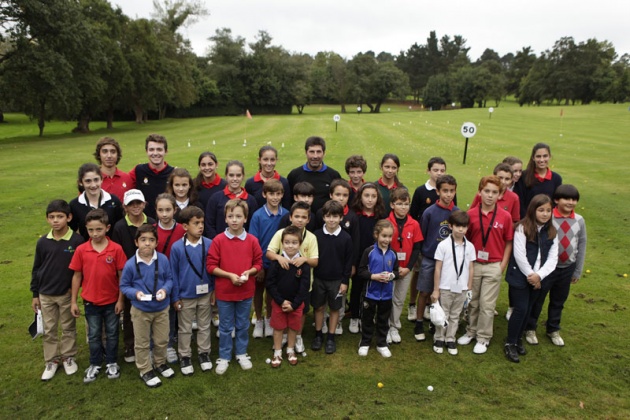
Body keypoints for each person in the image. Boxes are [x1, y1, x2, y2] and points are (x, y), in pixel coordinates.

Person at [525, 185, 587, 347]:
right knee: (538, 299)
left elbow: (582, 245)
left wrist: (578, 270)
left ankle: (553, 329)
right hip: (547, 269)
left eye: (574, 199)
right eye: (566, 198)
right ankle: (530, 328)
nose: (570, 202)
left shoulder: (579, 220)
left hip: (567, 268)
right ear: (556, 200)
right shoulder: (549, 217)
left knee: (558, 300)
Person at [458, 176, 514, 354]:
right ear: (480, 192)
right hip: (473, 264)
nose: (490, 196)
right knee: (472, 301)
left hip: (493, 265)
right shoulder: (471, 214)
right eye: (487, 191)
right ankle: (471, 331)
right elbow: (465, 241)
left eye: (494, 192)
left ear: (500, 195)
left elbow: (508, 242)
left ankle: (483, 337)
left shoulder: (505, 216)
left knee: (487, 304)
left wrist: (502, 265)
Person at [206, 199, 263, 375]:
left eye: (238, 216)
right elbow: (211, 266)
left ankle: (241, 353)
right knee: (225, 326)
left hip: (245, 291)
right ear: (225, 218)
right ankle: (224, 356)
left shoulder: (252, 240)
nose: (234, 220)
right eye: (231, 216)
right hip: (225, 292)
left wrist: (249, 272)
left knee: (243, 324)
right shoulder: (218, 240)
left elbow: (258, 263)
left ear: (245, 219)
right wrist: (229, 276)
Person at [69, 209, 126, 383]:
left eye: (99, 229)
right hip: (90, 302)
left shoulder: (116, 249)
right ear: (86, 228)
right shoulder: (81, 250)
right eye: (91, 230)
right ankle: (94, 363)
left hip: (111, 302)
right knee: (93, 335)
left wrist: (120, 300)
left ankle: (111, 362)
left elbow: (121, 275)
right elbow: (77, 276)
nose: (95, 234)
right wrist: (73, 301)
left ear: (107, 228)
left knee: (112, 334)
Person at [31, 199, 84, 381]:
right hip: (45, 294)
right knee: (49, 329)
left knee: (68, 327)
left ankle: (68, 357)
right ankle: (52, 360)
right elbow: (37, 269)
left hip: (66, 294)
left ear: (68, 218)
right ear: (47, 219)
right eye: (51, 217)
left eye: (60, 217)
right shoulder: (43, 242)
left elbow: (79, 270)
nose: (55, 220)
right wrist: (35, 294)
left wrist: (74, 294)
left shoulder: (77, 241)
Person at [120, 224, 175, 387]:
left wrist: (165, 290)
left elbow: (169, 280)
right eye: (143, 240)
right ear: (136, 242)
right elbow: (124, 286)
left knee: (162, 339)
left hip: (161, 308)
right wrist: (135, 294)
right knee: (142, 342)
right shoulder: (131, 264)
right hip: (140, 310)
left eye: (151, 240)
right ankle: (145, 369)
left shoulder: (163, 260)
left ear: (156, 243)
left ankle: (160, 363)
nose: (147, 243)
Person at [504, 195, 558, 363]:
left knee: (529, 309)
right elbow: (519, 255)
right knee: (520, 309)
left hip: (539, 277)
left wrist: (539, 275)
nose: (545, 214)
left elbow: (552, 258)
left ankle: (519, 339)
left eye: (548, 210)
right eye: (541, 210)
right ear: (533, 210)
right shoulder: (522, 228)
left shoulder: (552, 231)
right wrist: (531, 274)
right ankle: (510, 342)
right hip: (520, 276)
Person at [266, 201, 319, 354]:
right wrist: (279, 258)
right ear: (290, 217)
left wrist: (304, 259)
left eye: (304, 217)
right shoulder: (281, 233)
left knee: (300, 311)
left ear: (308, 220)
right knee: (281, 310)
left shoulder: (311, 237)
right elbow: (269, 253)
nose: (300, 220)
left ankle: (298, 336)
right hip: (282, 284)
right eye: (297, 216)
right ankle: (282, 336)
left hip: (302, 285)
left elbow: (315, 261)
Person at [111, 189, 156, 363]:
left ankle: (150, 343)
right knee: (130, 313)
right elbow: (118, 252)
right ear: (125, 207)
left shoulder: (151, 222)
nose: (135, 207)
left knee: (151, 308)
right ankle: (130, 345)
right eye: (131, 204)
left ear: (144, 204)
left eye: (138, 203)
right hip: (129, 274)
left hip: (149, 271)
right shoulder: (120, 227)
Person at [170, 206, 214, 376]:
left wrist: (214, 291)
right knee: (185, 327)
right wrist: (175, 297)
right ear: (185, 226)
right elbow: (173, 274)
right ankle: (185, 355)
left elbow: (213, 269)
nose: (200, 226)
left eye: (202, 222)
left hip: (206, 293)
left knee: (204, 325)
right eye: (196, 223)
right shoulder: (177, 248)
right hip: (185, 295)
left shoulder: (209, 244)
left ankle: (204, 353)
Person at [414, 175, 459, 342]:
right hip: (430, 259)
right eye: (445, 191)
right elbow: (423, 235)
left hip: (449, 262)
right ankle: (419, 322)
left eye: (451, 191)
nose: (448, 194)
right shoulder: (429, 212)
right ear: (438, 191)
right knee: (425, 292)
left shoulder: (457, 213)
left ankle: (437, 321)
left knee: (443, 294)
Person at [314, 179, 360, 334]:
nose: (341, 198)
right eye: (337, 194)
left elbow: (353, 246)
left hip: (340, 271)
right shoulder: (320, 221)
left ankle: (337, 322)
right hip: (322, 272)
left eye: (345, 195)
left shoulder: (351, 218)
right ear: (330, 195)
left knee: (337, 300)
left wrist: (351, 266)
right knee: (320, 302)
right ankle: (322, 325)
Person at [429, 210, 476, 356]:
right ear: (450, 226)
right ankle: (439, 338)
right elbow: (438, 268)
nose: (461, 229)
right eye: (457, 226)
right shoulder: (443, 245)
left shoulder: (470, 246)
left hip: (461, 288)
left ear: (467, 228)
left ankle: (450, 338)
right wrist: (436, 289)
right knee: (443, 314)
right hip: (445, 287)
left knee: (455, 315)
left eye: (464, 226)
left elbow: (470, 268)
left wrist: (469, 288)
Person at [409, 157, 448, 322]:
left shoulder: (447, 190)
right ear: (428, 171)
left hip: (440, 241)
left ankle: (427, 307)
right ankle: (412, 304)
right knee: (418, 273)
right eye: (435, 170)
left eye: (442, 170)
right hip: (423, 241)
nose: (439, 173)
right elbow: (413, 215)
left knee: (436, 275)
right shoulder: (421, 191)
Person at [249, 179, 289, 338]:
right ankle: (258, 319)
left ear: (282, 195)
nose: (275, 197)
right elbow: (254, 241)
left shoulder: (286, 214)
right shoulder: (258, 216)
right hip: (262, 262)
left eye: (278, 194)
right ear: (264, 194)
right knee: (258, 291)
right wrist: (257, 265)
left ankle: (269, 318)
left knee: (272, 292)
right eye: (271, 194)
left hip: (278, 261)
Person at [311, 200, 353, 354]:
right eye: (328, 216)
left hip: (336, 281)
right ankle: (318, 335)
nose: (332, 220)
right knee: (319, 307)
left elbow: (348, 262)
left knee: (335, 308)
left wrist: (344, 281)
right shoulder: (316, 235)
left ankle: (330, 337)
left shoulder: (346, 238)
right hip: (319, 279)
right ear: (323, 217)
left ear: (341, 218)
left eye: (335, 217)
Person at [266, 226, 310, 367]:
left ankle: (290, 350)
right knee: (278, 328)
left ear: (300, 244)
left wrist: (294, 304)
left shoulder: (303, 265)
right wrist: (280, 301)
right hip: (279, 303)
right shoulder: (276, 263)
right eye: (287, 242)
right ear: (282, 243)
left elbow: (304, 287)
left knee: (293, 328)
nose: (290, 246)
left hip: (296, 304)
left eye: (294, 243)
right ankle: (277, 352)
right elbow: (270, 284)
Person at [357, 219, 399, 358]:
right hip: (370, 293)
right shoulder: (369, 251)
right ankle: (365, 342)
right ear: (376, 235)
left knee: (383, 319)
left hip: (386, 295)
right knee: (367, 319)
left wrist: (392, 275)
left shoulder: (393, 254)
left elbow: (397, 272)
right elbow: (361, 271)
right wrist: (373, 276)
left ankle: (382, 343)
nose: (387, 239)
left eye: (389, 236)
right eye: (384, 236)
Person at [348, 182, 386, 334]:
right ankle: (354, 316)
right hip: (358, 258)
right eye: (366, 196)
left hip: (375, 258)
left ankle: (369, 315)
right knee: (357, 287)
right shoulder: (355, 216)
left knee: (373, 286)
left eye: (373, 196)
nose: (370, 200)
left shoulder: (380, 217)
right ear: (360, 197)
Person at [386, 188, 423, 344]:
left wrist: (408, 267)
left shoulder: (414, 224)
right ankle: (385, 326)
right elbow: (383, 246)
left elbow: (416, 248)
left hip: (406, 269)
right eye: (399, 204)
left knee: (399, 299)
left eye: (406, 204)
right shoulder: (386, 222)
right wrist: (394, 268)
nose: (403, 207)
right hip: (388, 268)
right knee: (387, 297)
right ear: (392, 205)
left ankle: (394, 326)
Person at [154, 193, 186, 363]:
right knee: (160, 312)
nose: (164, 214)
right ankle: (161, 345)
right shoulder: (152, 229)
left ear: (175, 210)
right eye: (160, 210)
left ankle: (173, 342)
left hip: (178, 277)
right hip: (158, 279)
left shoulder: (182, 229)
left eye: (168, 210)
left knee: (176, 311)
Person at [287, 136, 341, 213]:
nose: (315, 156)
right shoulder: (294, 175)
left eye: (318, 152)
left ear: (324, 153)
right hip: (301, 220)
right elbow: (289, 202)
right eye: (312, 152)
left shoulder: (333, 175)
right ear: (306, 152)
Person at [69, 163, 123, 241]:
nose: (93, 185)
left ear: (101, 179)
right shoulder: (75, 205)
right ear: (80, 182)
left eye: (96, 180)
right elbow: (72, 231)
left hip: (112, 250)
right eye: (88, 181)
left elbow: (120, 227)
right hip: (87, 251)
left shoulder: (113, 200)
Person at [205, 160, 258, 239]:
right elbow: (209, 224)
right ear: (226, 176)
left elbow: (252, 226)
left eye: (238, 175)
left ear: (243, 176)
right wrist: (217, 242)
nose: (235, 179)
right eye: (231, 175)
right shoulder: (215, 198)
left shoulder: (250, 200)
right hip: (220, 244)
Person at [128, 134, 174, 219]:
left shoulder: (173, 173)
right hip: (144, 223)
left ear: (166, 151)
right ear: (146, 151)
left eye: (159, 149)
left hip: (166, 222)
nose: (155, 153)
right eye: (151, 149)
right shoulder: (138, 170)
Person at [513, 143, 562, 218]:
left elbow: (556, 203)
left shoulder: (556, 178)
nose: (542, 160)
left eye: (545, 156)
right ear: (533, 158)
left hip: (547, 221)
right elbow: (520, 202)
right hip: (527, 221)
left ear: (550, 157)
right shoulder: (523, 176)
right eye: (538, 156)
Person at [245, 145, 292, 210]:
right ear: (259, 160)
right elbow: (247, 208)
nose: (269, 163)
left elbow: (286, 207)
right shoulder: (251, 183)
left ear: (276, 160)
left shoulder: (283, 182)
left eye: (272, 160)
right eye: (265, 159)